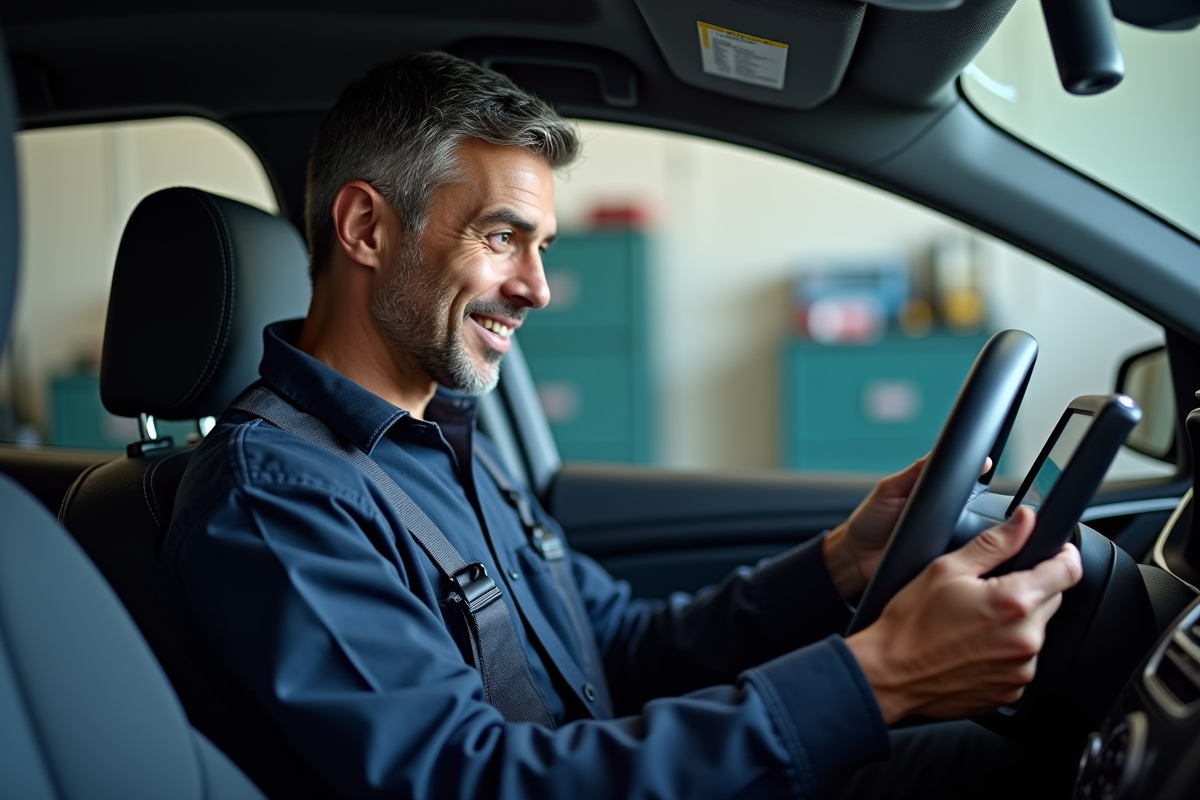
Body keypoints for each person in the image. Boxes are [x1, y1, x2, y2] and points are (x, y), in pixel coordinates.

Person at [162, 52, 1083, 799]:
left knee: (989, 761)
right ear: (366, 228)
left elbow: (620, 650)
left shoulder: (441, 441)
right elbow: (467, 780)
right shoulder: (275, 496)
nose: (538, 288)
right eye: (500, 237)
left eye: (543, 246)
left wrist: (841, 560)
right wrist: (878, 680)